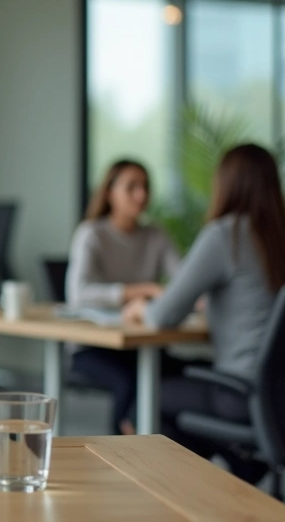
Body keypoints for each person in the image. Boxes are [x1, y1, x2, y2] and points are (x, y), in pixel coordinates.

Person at [123, 143, 285, 484]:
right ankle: (237, 468)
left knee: (145, 400)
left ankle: (201, 493)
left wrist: (141, 308)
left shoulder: (225, 235)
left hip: (245, 394)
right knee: (186, 381)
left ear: (226, 185)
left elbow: (163, 317)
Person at [66, 159, 181, 435]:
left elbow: (183, 281)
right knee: (129, 381)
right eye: (132, 187)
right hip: (94, 347)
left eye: (145, 187)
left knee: (182, 374)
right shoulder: (91, 234)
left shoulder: (156, 235)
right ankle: (120, 457)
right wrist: (143, 289)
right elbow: (78, 294)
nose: (141, 195)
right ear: (109, 193)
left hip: (143, 344)